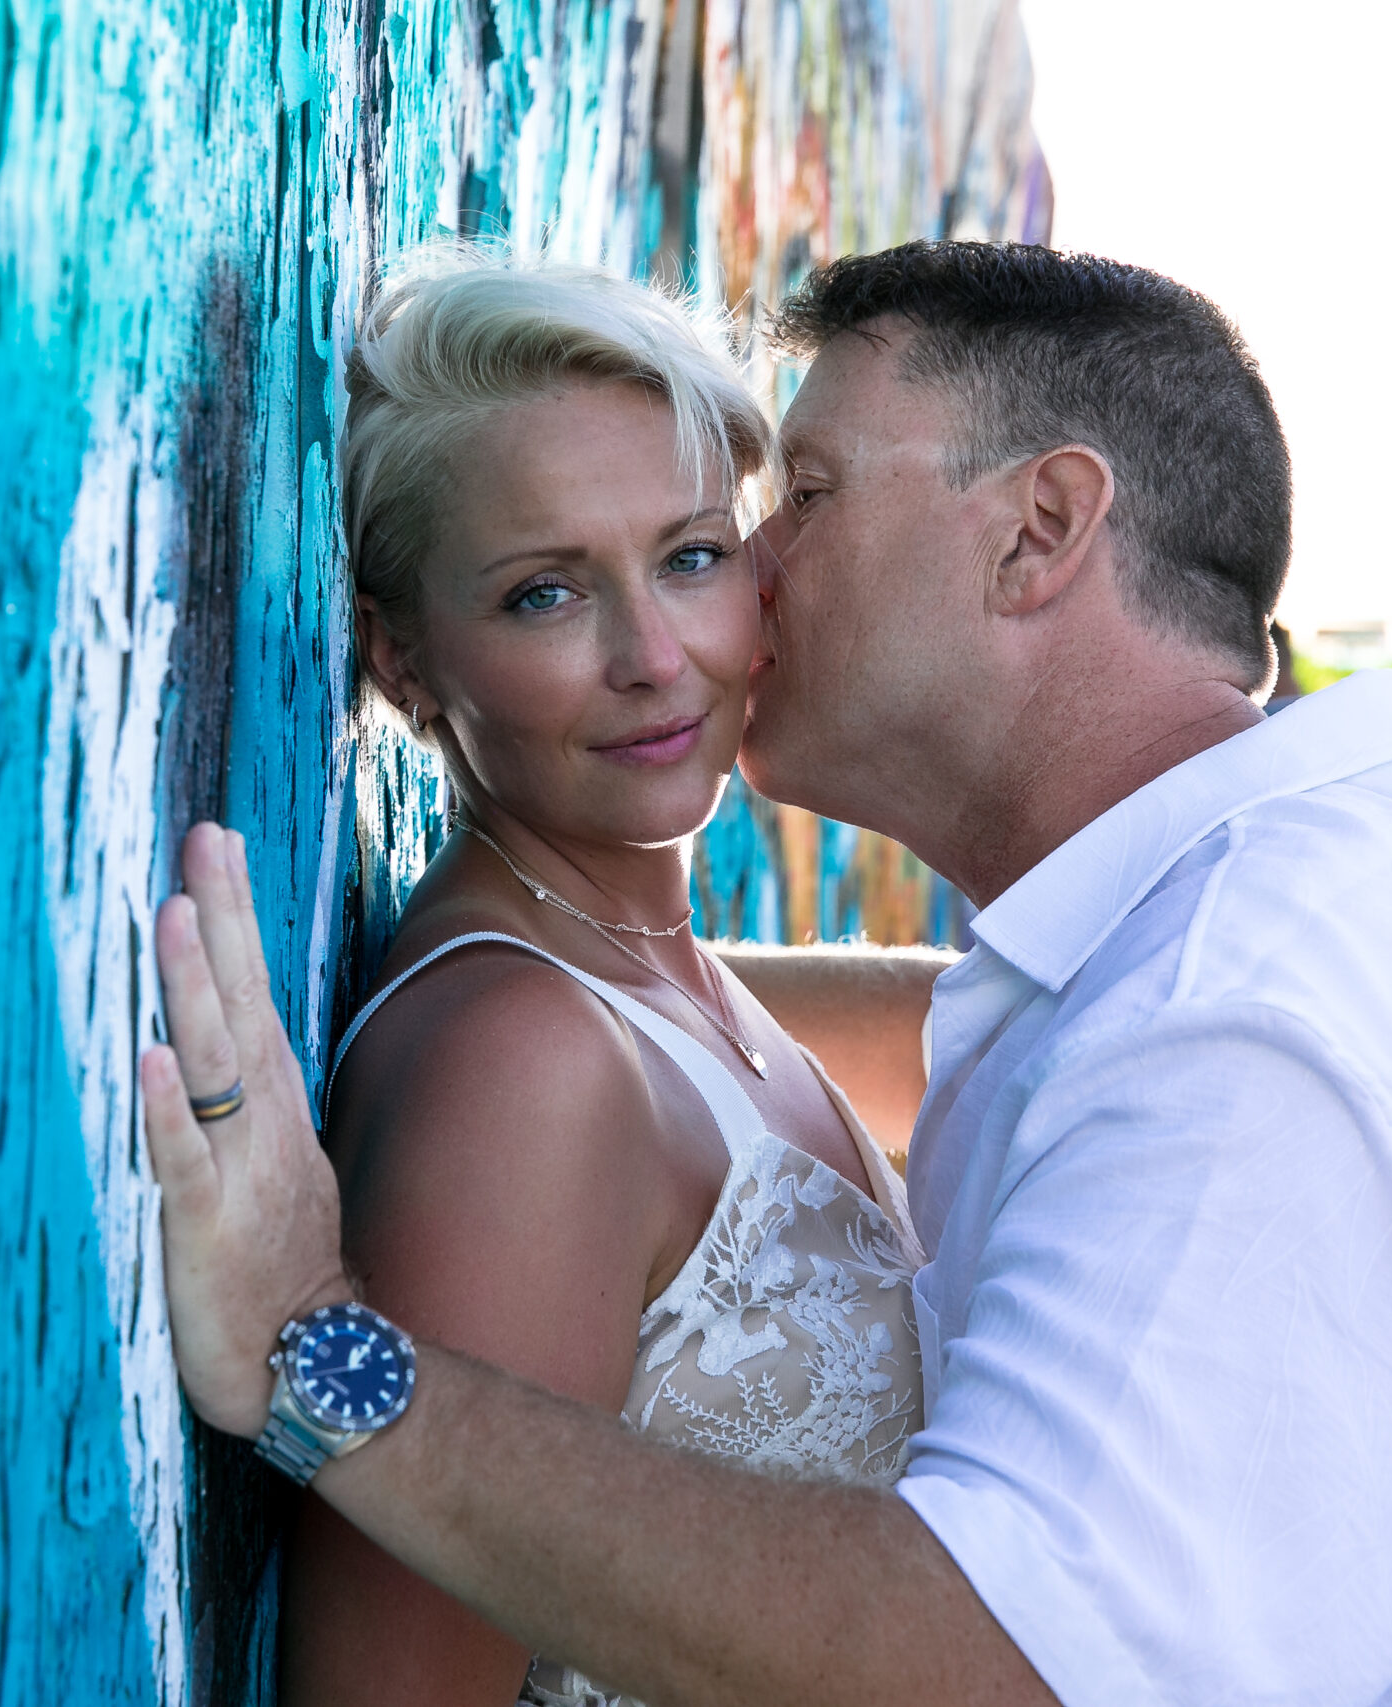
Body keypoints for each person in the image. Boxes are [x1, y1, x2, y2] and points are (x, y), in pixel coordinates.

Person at [142, 240, 1392, 1705]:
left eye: (764, 519)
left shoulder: (1243, 1028)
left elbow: (1003, 1664)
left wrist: (311, 1349)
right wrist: (590, 990)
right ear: (405, 662)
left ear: (1040, 529)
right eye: (542, 591)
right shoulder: (1352, 890)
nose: (736, 596)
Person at [278, 251, 939, 1702]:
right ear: (401, 662)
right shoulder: (525, 1067)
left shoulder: (668, 982)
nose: (655, 657)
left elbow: (965, 1022)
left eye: (693, 557)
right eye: (542, 595)